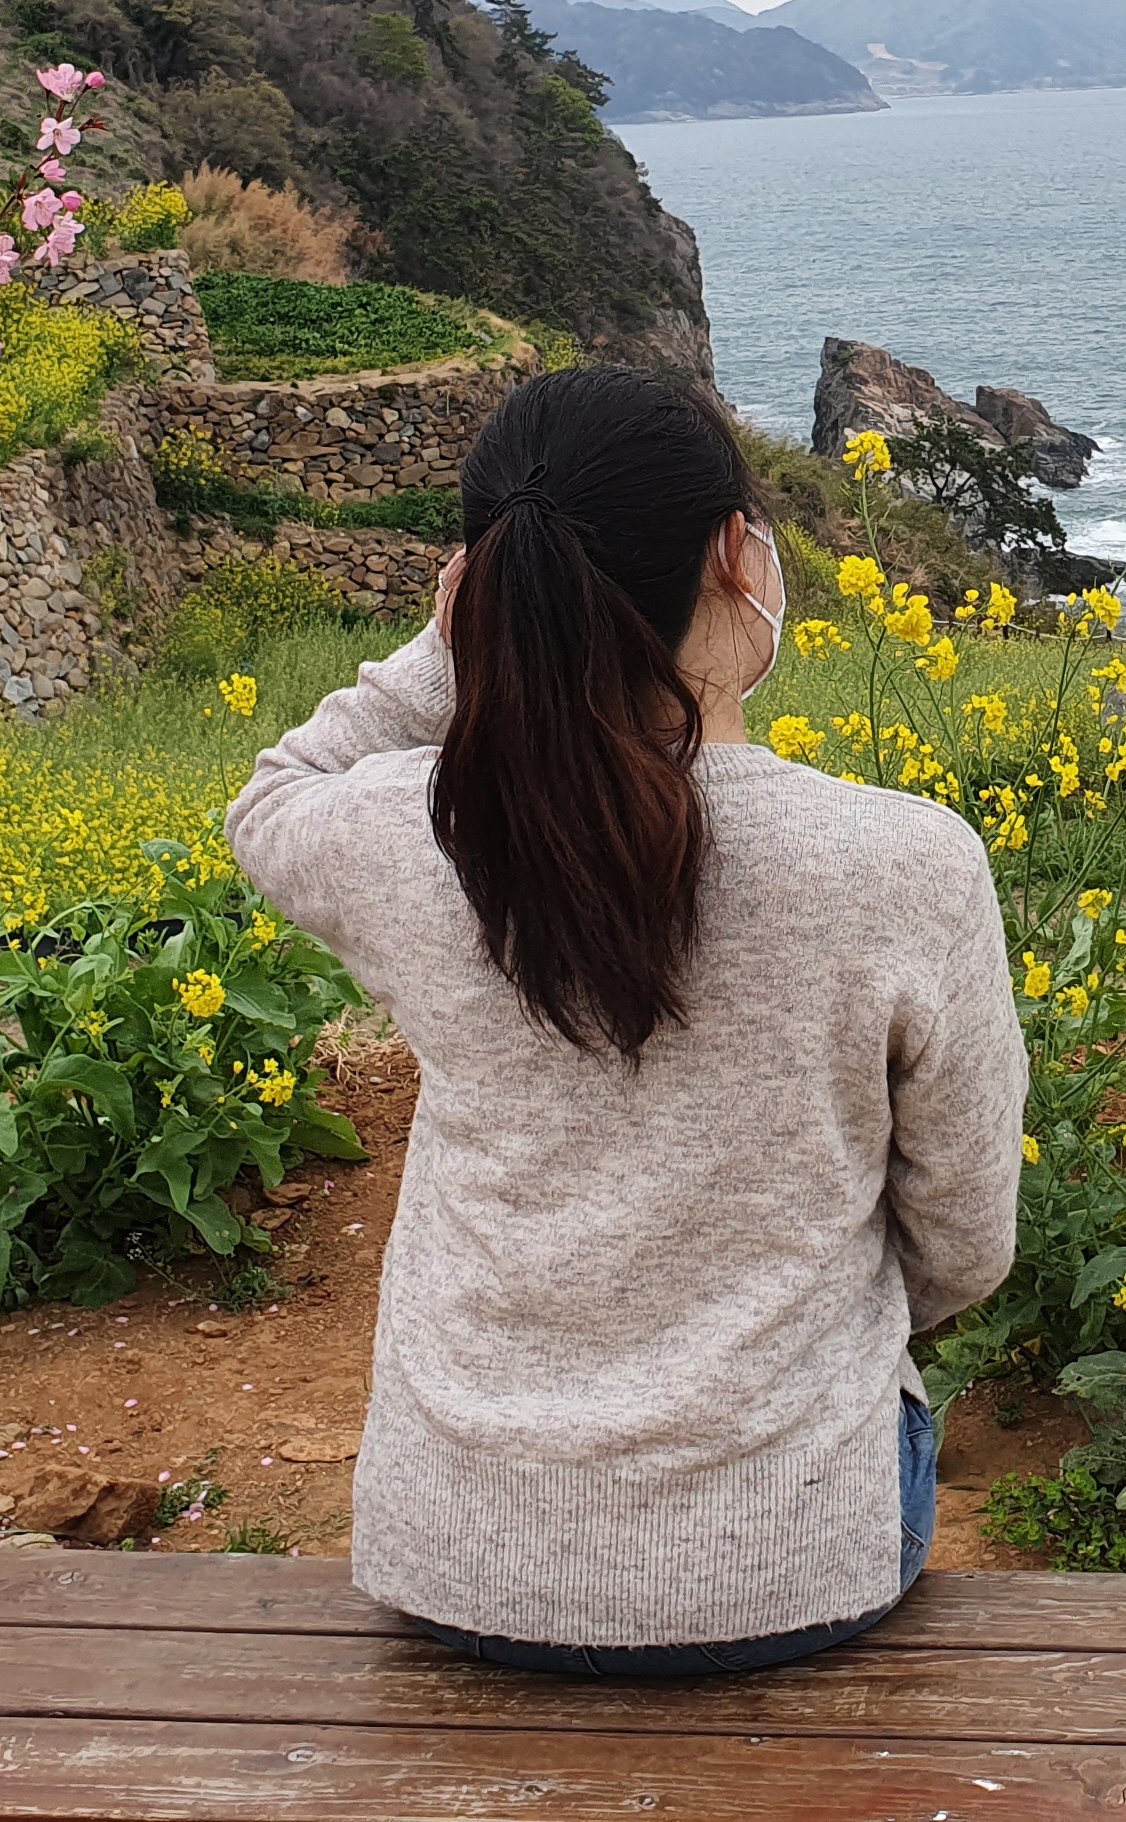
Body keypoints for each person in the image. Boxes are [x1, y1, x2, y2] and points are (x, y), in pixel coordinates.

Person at [225, 365, 1025, 1674]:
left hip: (457, 1557)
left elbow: (272, 798)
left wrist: (451, 652)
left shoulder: (415, 836)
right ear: (736, 555)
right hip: (793, 1563)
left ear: (486, 584)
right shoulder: (903, 866)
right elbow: (966, 1249)